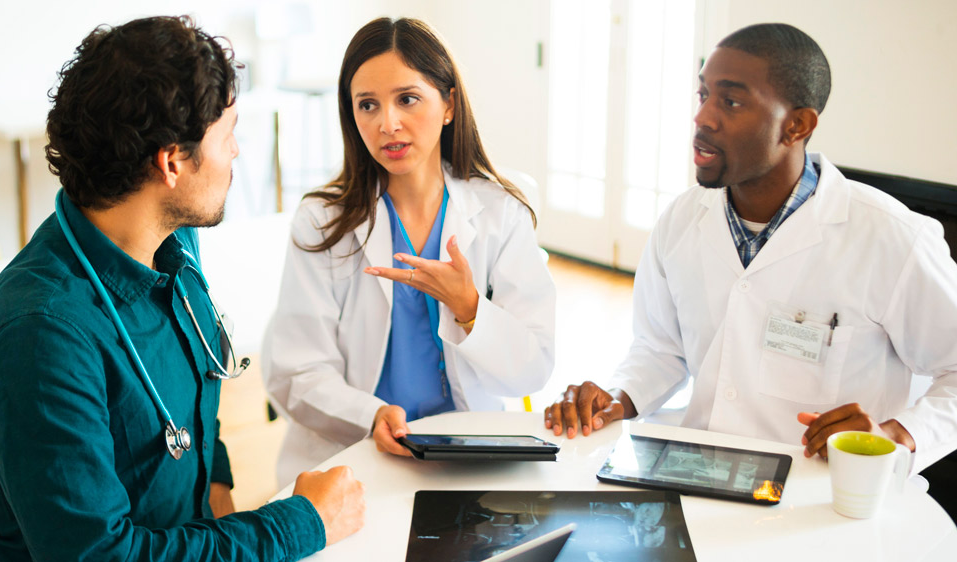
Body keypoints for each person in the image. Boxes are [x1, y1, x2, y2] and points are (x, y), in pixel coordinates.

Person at [0, 16, 364, 561]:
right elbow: (100, 557)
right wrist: (299, 524)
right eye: (229, 136)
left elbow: (195, 416)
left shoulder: (175, 248)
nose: (236, 154)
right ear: (172, 161)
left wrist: (222, 509)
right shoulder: (41, 334)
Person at [544, 23, 957, 476]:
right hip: (697, 478)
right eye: (703, 96)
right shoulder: (682, 219)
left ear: (796, 125)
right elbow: (661, 347)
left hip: (820, 496)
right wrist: (617, 397)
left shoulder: (893, 238)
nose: (703, 118)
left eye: (731, 101)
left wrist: (896, 435)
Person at [264, 17, 556, 485]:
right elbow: (296, 372)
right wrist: (371, 415)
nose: (387, 123)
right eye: (367, 105)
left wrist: (470, 308)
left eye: (407, 99)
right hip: (354, 452)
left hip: (468, 454)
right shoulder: (322, 220)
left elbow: (532, 368)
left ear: (448, 105)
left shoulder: (502, 209)